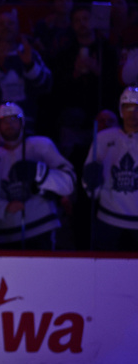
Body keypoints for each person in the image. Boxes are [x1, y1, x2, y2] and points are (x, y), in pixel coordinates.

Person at [0, 102, 75, 250]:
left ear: (23, 122)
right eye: (4, 121)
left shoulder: (41, 145)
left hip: (41, 228)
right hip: (1, 235)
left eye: (14, 119)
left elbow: (68, 183)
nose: (9, 125)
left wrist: (39, 172)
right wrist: (4, 207)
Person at [82, 86, 138, 251]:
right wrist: (90, 180)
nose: (132, 113)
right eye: (127, 107)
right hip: (108, 218)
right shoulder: (104, 138)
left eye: (137, 108)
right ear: (121, 110)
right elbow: (89, 186)